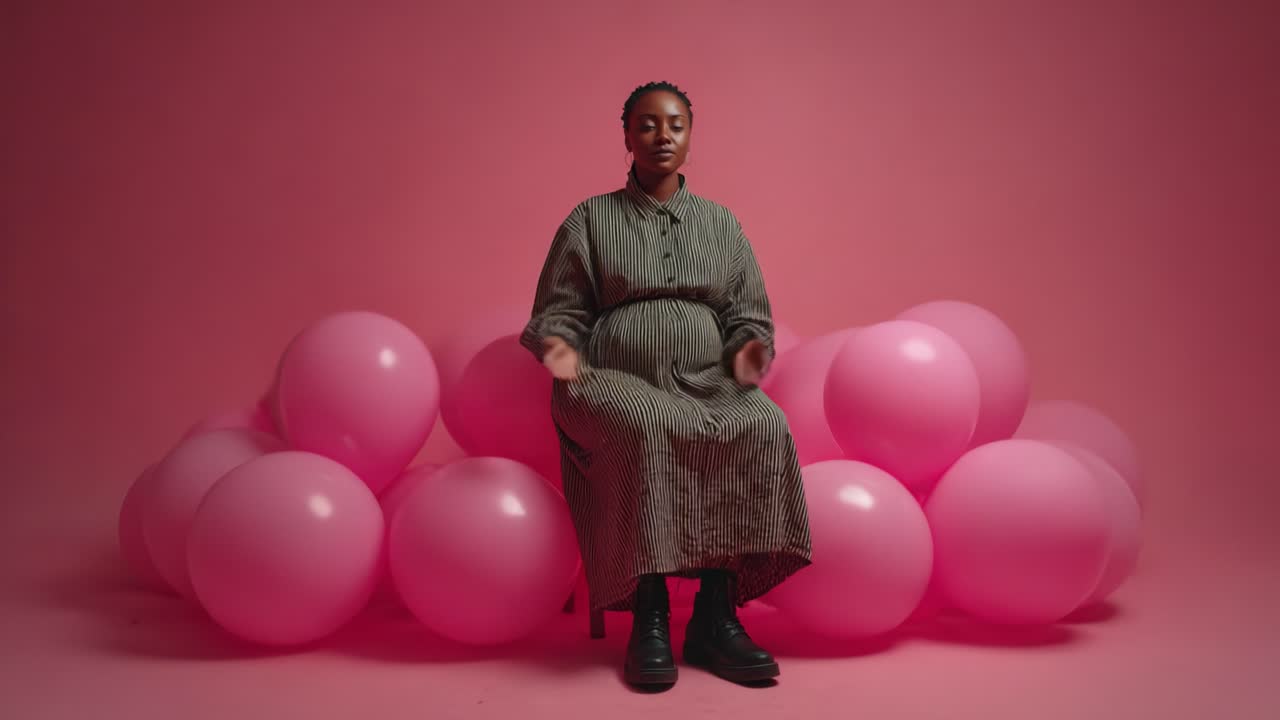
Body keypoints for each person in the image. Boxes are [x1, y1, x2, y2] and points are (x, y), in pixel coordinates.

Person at [520, 81, 812, 687]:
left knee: (761, 423)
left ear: (690, 137)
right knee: (650, 424)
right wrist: (570, 368)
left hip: (705, 379)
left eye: (675, 125)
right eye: (648, 124)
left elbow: (750, 318)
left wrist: (744, 370)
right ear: (627, 136)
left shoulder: (720, 223)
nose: (662, 136)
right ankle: (648, 614)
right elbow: (557, 316)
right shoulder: (590, 219)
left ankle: (715, 616)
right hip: (610, 379)